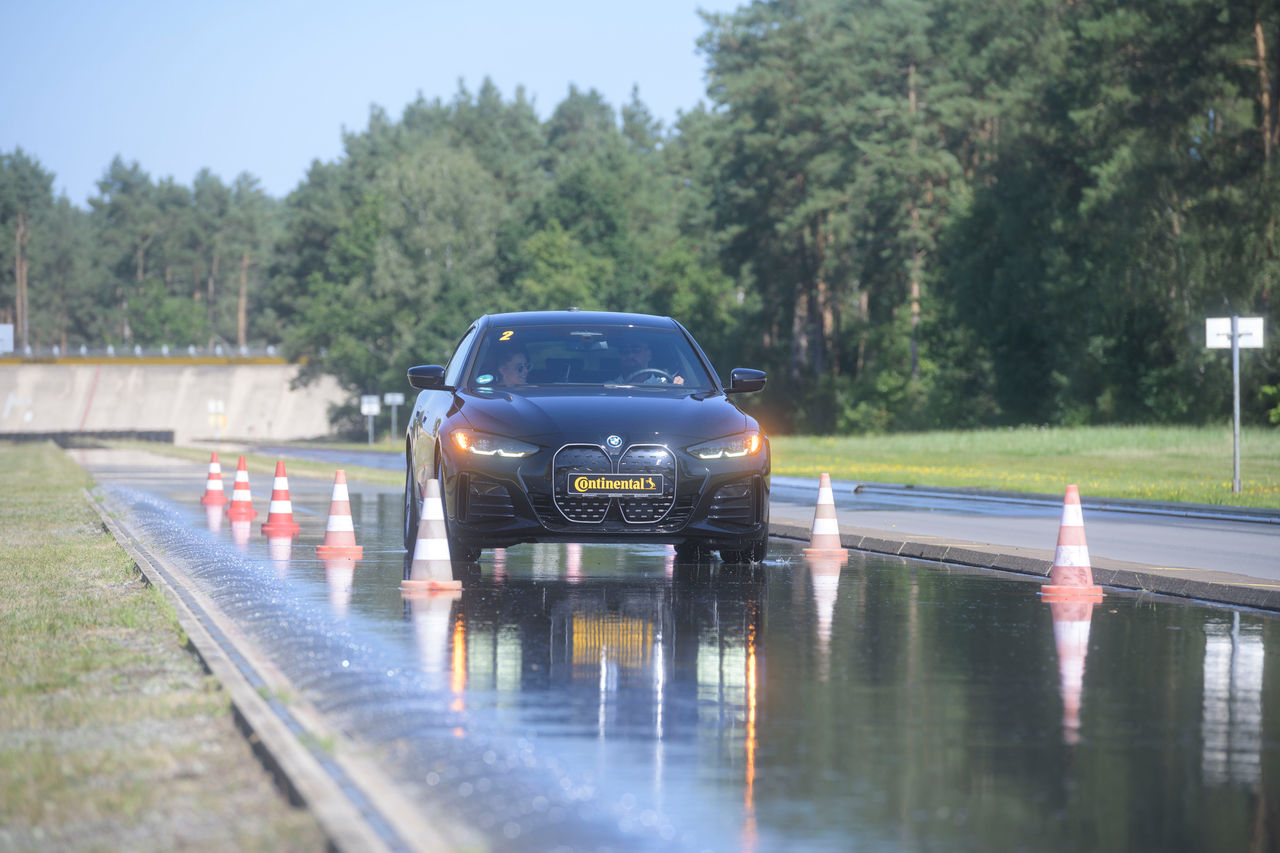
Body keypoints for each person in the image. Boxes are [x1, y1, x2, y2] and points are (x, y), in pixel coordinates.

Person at [611, 337, 683, 385]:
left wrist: (679, 389)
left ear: (649, 355)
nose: (630, 355)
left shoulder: (665, 386)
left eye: (636, 350)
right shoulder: (609, 387)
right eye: (624, 351)